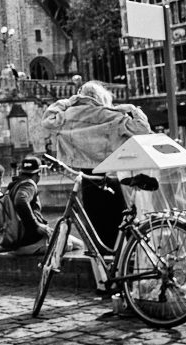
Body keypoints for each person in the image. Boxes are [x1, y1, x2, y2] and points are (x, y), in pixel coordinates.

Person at [41, 80, 150, 247]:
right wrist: (132, 109)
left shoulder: (69, 115)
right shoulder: (110, 114)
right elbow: (143, 129)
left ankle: (104, 260)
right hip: (110, 175)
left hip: (87, 176)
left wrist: (69, 101)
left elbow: (48, 119)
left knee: (95, 222)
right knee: (120, 220)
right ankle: (125, 257)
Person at [5, 156, 83, 256]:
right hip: (31, 242)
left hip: (17, 242)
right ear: (38, 174)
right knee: (79, 245)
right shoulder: (29, 184)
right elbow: (20, 201)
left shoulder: (13, 185)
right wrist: (36, 225)